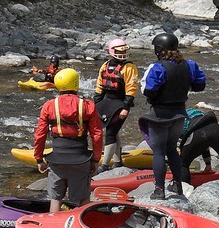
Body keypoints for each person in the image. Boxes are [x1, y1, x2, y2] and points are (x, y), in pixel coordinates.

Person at [139, 31, 206, 200]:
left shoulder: (157, 67)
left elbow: (149, 90)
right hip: (179, 115)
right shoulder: (190, 65)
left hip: (159, 116)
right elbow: (200, 85)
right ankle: (178, 185)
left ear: (159, 49)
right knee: (172, 150)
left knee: (159, 152)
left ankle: (159, 190)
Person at [31, 68, 103, 213]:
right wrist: (95, 160)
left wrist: (39, 159)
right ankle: (84, 226)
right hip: (81, 159)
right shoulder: (88, 105)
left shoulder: (49, 105)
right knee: (83, 198)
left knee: (55, 198)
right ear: (76, 83)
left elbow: (40, 134)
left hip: (57, 159)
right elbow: (97, 135)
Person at [93, 38, 139, 169]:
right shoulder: (105, 66)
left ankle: (105, 165)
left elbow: (131, 88)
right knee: (113, 131)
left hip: (120, 103)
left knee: (111, 132)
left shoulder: (129, 67)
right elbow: (99, 86)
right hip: (107, 101)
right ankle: (118, 162)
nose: (122, 53)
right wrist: (96, 103)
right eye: (119, 51)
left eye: (124, 50)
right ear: (112, 51)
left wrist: (126, 107)